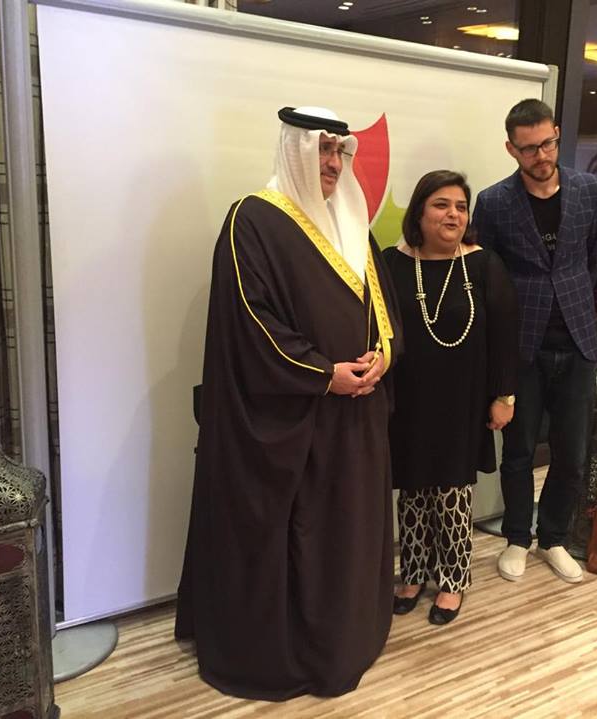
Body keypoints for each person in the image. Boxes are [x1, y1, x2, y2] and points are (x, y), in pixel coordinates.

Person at [175, 106, 402, 699]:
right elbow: (251, 322)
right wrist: (324, 374)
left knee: (345, 532)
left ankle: (346, 634)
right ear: (295, 149)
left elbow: (383, 309)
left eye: (339, 152)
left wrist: (382, 355)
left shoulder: (352, 221)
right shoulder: (252, 219)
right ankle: (297, 650)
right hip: (295, 417)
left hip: (356, 415)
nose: (333, 164)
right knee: (296, 534)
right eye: (322, 150)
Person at [472, 98, 597, 584]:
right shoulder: (493, 202)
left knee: (572, 453)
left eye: (547, 143)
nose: (541, 155)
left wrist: (572, 300)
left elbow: (592, 260)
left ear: (557, 134)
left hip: (578, 340)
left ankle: (553, 538)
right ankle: (516, 538)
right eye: (529, 149)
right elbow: (486, 274)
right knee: (519, 451)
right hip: (520, 345)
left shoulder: (589, 189)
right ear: (511, 149)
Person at [383, 171, 518, 625]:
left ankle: (453, 580)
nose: (453, 215)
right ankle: (413, 574)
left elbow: (505, 337)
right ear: (419, 213)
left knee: (451, 491)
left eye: (461, 207)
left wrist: (505, 397)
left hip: (463, 400)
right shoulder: (392, 263)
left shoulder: (484, 264)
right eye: (441, 205)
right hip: (408, 400)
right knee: (413, 490)